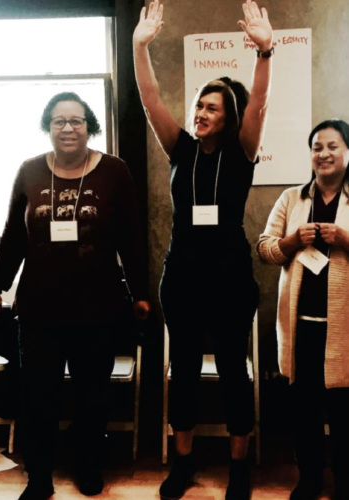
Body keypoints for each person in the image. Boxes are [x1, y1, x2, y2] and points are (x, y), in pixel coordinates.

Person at [133, 1, 273, 499]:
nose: (200, 113)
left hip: (231, 276)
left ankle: (238, 469)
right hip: (184, 276)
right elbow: (150, 101)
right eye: (198, 105)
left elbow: (258, 102)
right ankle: (183, 464)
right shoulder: (180, 148)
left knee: (235, 371)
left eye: (211, 107)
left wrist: (265, 53)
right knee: (184, 371)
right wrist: (139, 46)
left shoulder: (242, 149)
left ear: (229, 116)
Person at [0, 91, 150, 500]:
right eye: (59, 121)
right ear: (48, 127)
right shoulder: (29, 171)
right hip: (40, 308)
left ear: (89, 126)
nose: (68, 128)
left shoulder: (114, 171)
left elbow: (131, 237)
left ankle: (88, 467)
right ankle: (38, 476)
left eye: (76, 120)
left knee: (92, 396)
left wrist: (140, 292)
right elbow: (12, 236)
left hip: (99, 307)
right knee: (39, 396)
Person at [257, 119, 349, 500]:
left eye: (332, 146)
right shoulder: (292, 198)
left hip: (344, 329)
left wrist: (346, 239)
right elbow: (264, 249)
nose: (323, 154)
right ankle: (308, 478)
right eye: (316, 147)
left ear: (347, 151)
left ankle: (345, 482)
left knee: (344, 412)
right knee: (305, 411)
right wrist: (292, 241)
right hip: (300, 326)